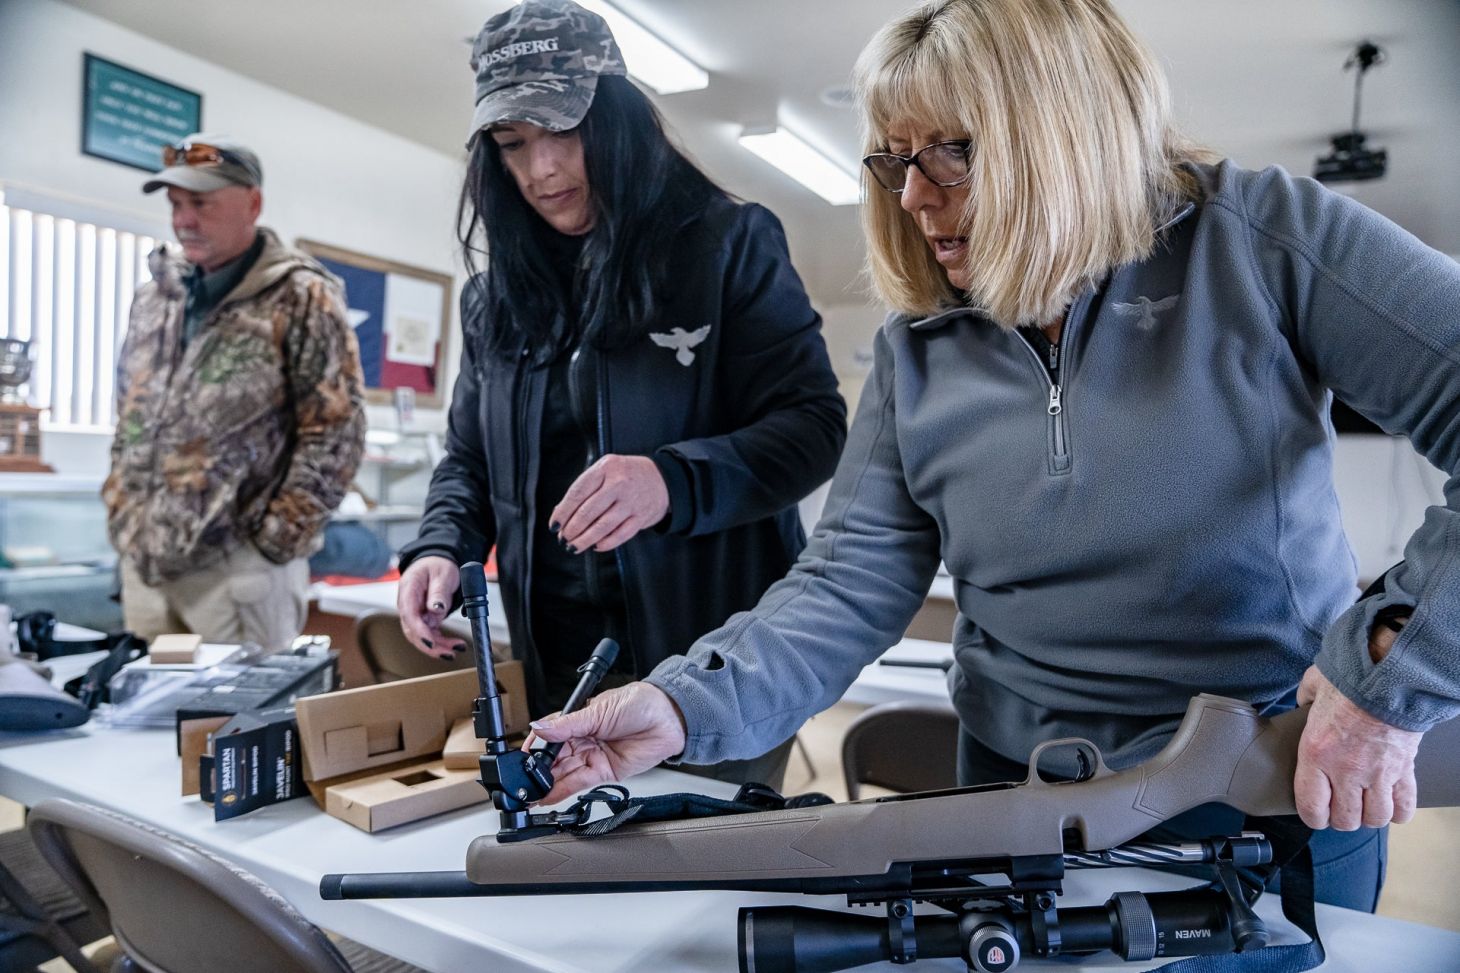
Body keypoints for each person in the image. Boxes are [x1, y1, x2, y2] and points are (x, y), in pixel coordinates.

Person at [527, 0, 1460, 913]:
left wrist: (1386, 676)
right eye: (896, 160)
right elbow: (845, 582)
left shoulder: (1261, 240)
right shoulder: (918, 346)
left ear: (1070, 133)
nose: (913, 196)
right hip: (1019, 798)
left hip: (1258, 792)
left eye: (955, 151)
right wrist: (680, 703)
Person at [394, 1, 846, 787]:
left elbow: (813, 427)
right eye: (512, 144)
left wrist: (672, 481)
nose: (540, 171)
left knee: (698, 890)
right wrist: (440, 545)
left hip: (711, 665)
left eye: (563, 133)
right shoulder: (494, 299)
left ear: (617, 118)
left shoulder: (729, 245)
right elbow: (468, 457)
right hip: (554, 664)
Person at [104, 134, 366, 652]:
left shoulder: (302, 294)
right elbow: (131, 415)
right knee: (145, 726)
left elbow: (336, 432)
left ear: (252, 203)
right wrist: (123, 513)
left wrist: (273, 544)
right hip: (147, 569)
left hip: (237, 575)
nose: (183, 219)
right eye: (176, 204)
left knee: (236, 731)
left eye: (200, 203)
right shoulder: (155, 298)